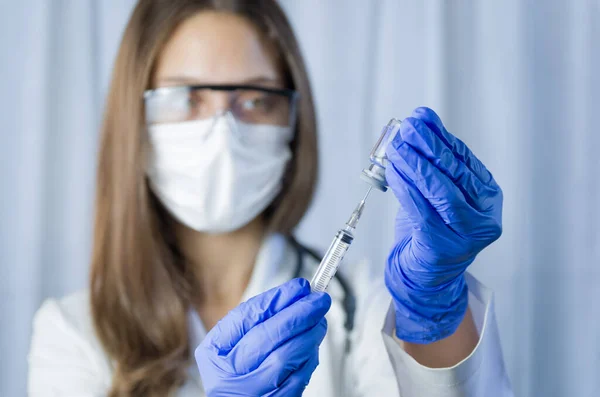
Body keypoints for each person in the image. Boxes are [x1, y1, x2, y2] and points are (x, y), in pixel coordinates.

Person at [27, 1, 513, 396]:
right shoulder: (74, 333)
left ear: (294, 124)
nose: (224, 129)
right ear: (134, 122)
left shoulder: (363, 310)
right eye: (187, 98)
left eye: (256, 100)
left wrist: (435, 311)